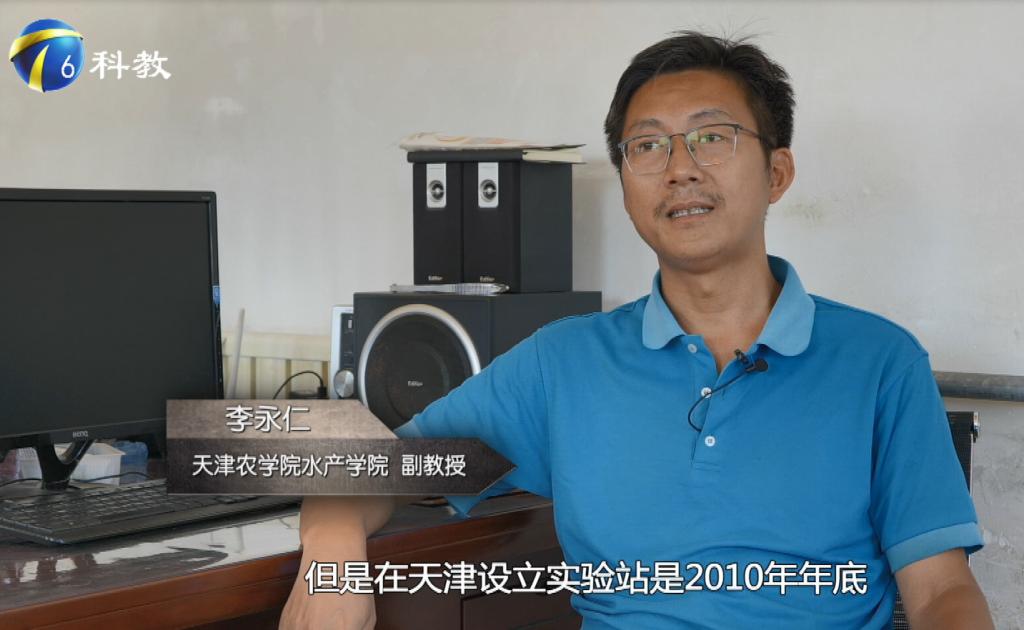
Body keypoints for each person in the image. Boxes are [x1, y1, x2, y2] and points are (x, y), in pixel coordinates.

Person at [280, 31, 993, 629]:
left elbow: (940, 593)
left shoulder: (880, 363)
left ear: (777, 173)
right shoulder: (565, 363)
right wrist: (331, 556)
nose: (680, 169)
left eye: (711, 138)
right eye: (647, 146)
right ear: (625, 184)